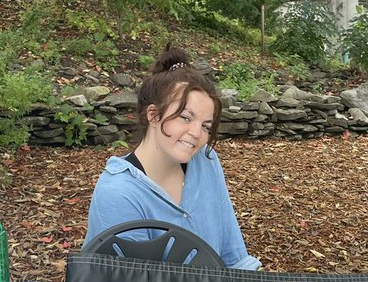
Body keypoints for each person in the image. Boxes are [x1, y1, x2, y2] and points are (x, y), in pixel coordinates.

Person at [84, 45, 261, 270]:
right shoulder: (119, 193)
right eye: (186, 117)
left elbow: (232, 252)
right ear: (154, 115)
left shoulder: (206, 160)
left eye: (206, 126)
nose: (197, 134)